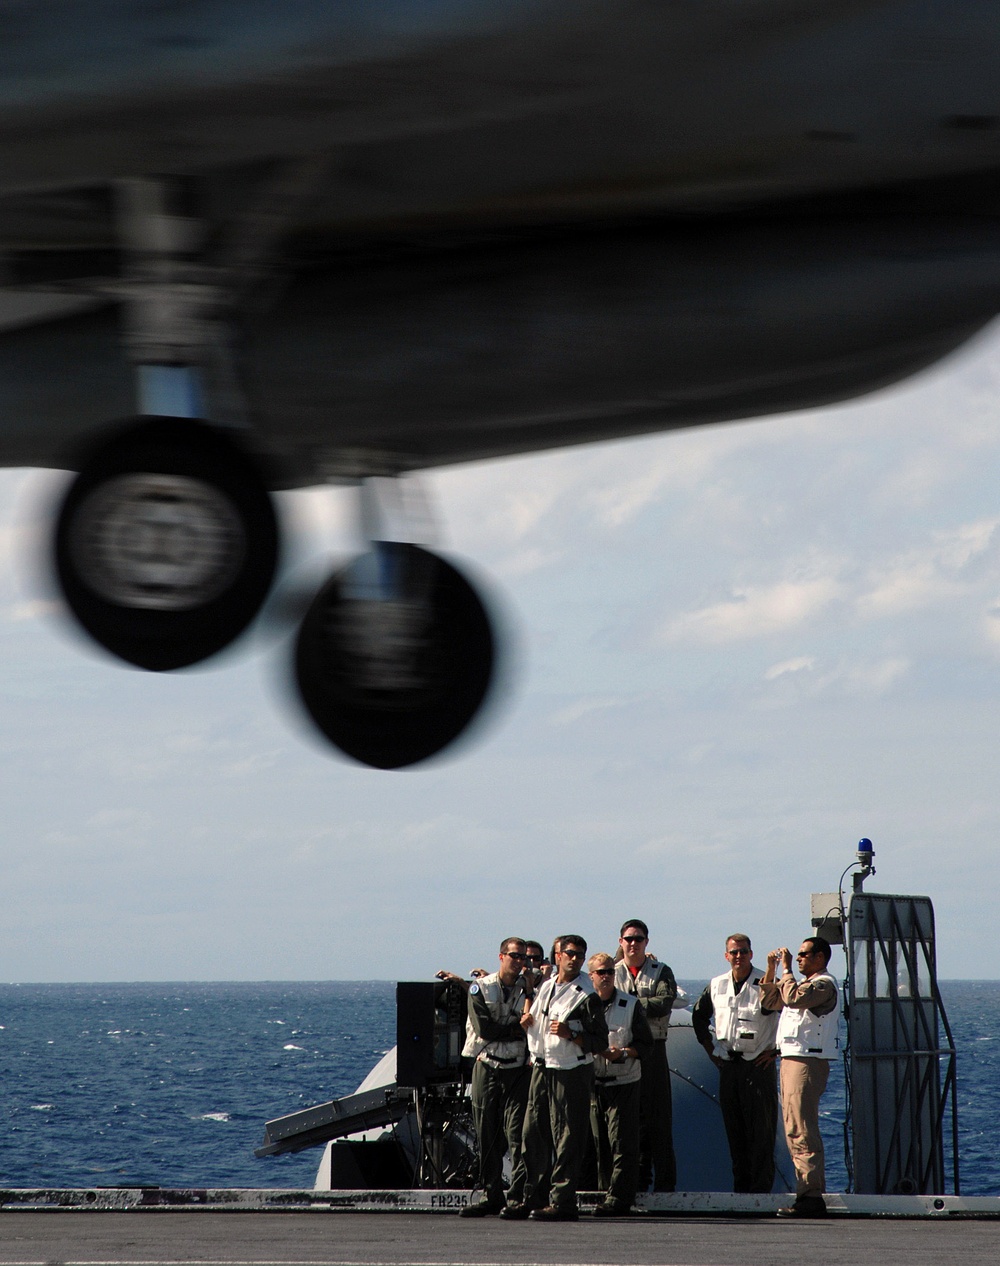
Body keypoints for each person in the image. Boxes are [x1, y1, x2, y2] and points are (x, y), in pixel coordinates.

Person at [510, 934, 609, 1222]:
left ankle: (563, 1201)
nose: (575, 958)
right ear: (558, 955)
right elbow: (539, 1020)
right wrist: (527, 1021)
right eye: (570, 953)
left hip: (570, 1071)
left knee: (567, 1136)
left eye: (580, 954)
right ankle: (533, 1196)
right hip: (542, 1066)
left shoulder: (586, 995)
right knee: (532, 1133)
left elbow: (599, 1040)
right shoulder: (547, 986)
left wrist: (572, 1035)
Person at [691, 933, 780, 1193]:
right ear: (726, 956)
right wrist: (710, 1050)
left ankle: (761, 1193)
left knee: (761, 1135)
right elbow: (699, 1017)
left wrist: (776, 1052)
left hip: (758, 1066)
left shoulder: (765, 983)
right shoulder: (717, 985)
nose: (738, 956)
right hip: (729, 1066)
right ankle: (741, 1193)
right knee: (735, 1132)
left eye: (743, 951)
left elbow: (792, 1019)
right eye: (734, 952)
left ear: (751, 954)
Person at [760, 936, 841, 1218]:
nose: (798, 959)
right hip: (792, 1059)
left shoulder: (823, 985)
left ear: (820, 957)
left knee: (802, 1127)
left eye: (803, 955)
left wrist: (785, 971)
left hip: (807, 1061)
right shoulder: (805, 985)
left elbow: (794, 998)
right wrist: (771, 970)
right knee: (794, 1125)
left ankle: (811, 1195)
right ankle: (805, 1191)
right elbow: (771, 1001)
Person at [459, 937, 534, 1217]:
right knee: (485, 1132)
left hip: (516, 1068)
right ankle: (491, 1193)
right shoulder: (481, 988)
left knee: (518, 1134)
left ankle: (516, 1197)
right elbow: (484, 1029)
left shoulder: (529, 990)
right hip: (487, 1066)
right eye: (514, 956)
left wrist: (529, 995)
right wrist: (517, 1027)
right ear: (501, 956)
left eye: (523, 957)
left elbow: (534, 1023)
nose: (519, 961)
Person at [588, 951, 654, 1216]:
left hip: (623, 1081)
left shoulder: (630, 1005)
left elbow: (645, 1044)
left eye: (610, 972)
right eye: (601, 972)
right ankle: (605, 1192)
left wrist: (624, 1053)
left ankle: (619, 1197)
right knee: (599, 1142)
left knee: (622, 1142)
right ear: (591, 976)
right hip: (594, 1083)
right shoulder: (584, 1004)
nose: (606, 977)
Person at [614, 919, 678, 1192]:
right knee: (626, 1121)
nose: (633, 943)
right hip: (622, 1052)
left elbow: (663, 1003)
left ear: (646, 943)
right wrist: (641, 1005)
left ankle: (664, 1186)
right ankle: (632, 1183)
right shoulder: (611, 972)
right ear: (621, 942)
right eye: (628, 938)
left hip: (652, 1050)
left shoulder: (661, 971)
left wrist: (626, 1004)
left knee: (658, 1119)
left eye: (638, 939)